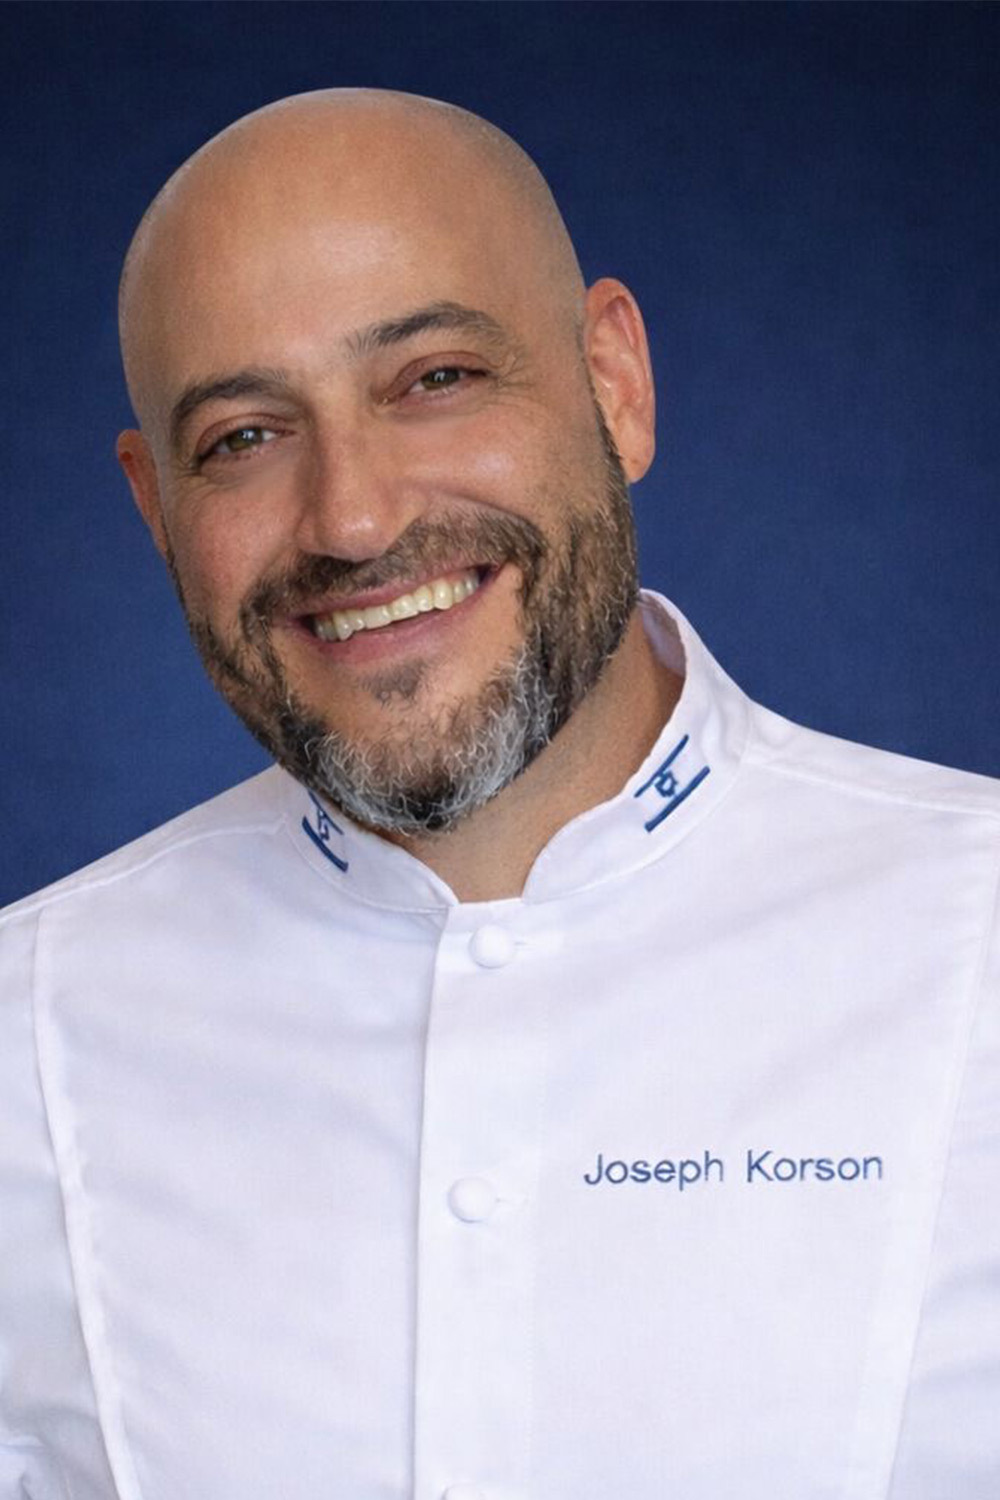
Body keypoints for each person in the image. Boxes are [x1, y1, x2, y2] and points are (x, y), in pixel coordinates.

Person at [0, 89, 997, 1500]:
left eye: (435, 378)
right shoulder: (23, 1034)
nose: (353, 518)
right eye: (243, 437)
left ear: (614, 383)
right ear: (157, 510)